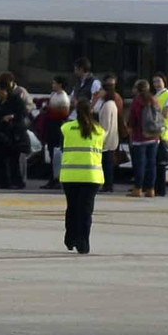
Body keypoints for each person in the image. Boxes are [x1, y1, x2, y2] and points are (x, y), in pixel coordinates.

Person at [59, 98, 106, 253]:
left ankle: (70, 237)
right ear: (91, 112)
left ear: (75, 112)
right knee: (85, 211)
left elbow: (61, 147)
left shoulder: (66, 128)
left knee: (72, 208)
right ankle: (83, 243)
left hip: (70, 175)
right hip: (92, 177)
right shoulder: (99, 131)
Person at [0, 72, 28, 189]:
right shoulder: (0, 102)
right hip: (2, 135)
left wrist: (12, 117)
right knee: (1, 159)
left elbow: (22, 113)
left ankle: (17, 182)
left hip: (14, 134)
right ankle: (3, 181)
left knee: (13, 160)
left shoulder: (15, 99)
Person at [125, 78, 163, 197]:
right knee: (152, 164)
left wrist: (129, 132)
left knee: (140, 164)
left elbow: (132, 120)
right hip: (154, 136)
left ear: (137, 89)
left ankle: (138, 188)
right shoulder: (154, 100)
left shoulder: (137, 101)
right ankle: (151, 189)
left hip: (139, 137)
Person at [39, 82, 70, 189]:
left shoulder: (63, 97)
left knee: (56, 154)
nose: (52, 85)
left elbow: (64, 114)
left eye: (54, 83)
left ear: (60, 85)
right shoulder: (53, 95)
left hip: (57, 127)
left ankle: (56, 179)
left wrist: (49, 111)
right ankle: (52, 179)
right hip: (50, 127)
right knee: (52, 153)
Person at [94, 74, 121, 192]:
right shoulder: (111, 104)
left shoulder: (107, 106)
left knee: (106, 164)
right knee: (108, 164)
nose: (99, 93)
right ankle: (108, 185)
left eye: (101, 90)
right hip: (111, 139)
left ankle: (107, 185)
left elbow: (105, 126)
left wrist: (100, 140)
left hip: (107, 141)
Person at [152, 73, 168, 196]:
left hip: (161, 132)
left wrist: (154, 116)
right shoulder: (156, 95)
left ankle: (160, 190)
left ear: (164, 82)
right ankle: (157, 188)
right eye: (154, 82)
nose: (156, 84)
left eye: (158, 81)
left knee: (160, 164)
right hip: (155, 132)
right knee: (157, 163)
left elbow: (166, 113)